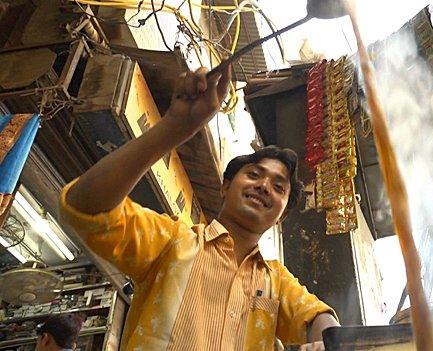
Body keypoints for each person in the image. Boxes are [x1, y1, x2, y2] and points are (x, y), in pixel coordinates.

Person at [59, 64, 339, 350]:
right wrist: (174, 127)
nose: (264, 186)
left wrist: (330, 341)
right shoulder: (173, 242)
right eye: (253, 174)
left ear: (283, 216)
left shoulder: (276, 281)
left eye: (278, 187)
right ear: (226, 186)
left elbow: (317, 315)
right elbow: (86, 208)